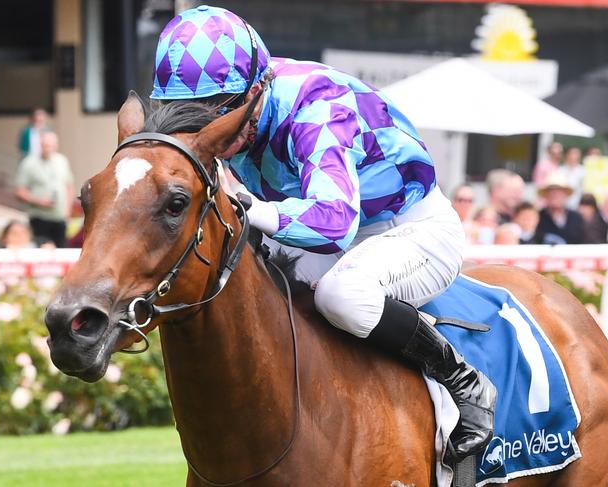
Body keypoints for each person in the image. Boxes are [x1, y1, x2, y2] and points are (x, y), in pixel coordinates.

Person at [150, 5, 495, 462]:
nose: (204, 131)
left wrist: (250, 209)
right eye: (188, 118)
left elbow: (334, 222)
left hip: (411, 230)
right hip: (322, 231)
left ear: (256, 92)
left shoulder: (316, 106)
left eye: (214, 114)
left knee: (341, 295)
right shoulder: (236, 112)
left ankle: (464, 382)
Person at [15, 131, 74, 248]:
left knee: (61, 252)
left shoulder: (62, 161)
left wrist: (67, 209)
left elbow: (69, 187)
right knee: (41, 253)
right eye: (45, 145)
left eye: (50, 145)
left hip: (59, 218)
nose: (47, 148)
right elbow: (19, 191)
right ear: (40, 145)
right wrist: (39, 201)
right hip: (39, 218)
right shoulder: (29, 163)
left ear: (56, 146)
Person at [534, 171, 584, 245]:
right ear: (546, 195)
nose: (555, 195)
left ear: (566, 195)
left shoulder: (576, 217)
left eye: (559, 192)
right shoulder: (537, 217)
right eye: (551, 192)